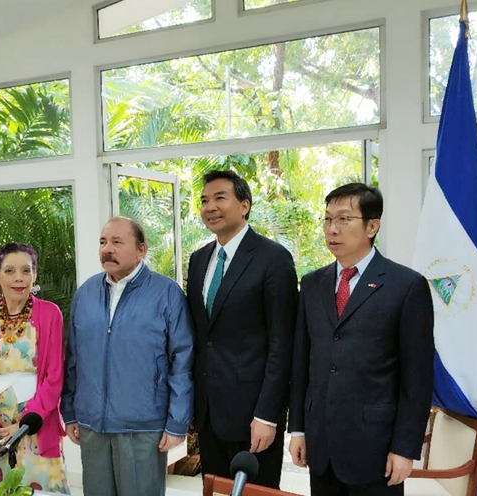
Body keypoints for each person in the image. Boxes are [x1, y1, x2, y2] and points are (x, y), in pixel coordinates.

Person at [288, 183, 434, 496]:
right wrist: (298, 428)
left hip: (377, 449)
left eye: (343, 219)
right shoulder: (312, 284)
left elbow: (417, 378)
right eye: (327, 220)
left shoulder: (406, 286)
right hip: (321, 445)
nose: (332, 229)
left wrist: (405, 448)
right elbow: (302, 364)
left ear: (372, 226)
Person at [61, 216, 194, 496]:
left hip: (143, 426)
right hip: (92, 425)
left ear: (141, 250)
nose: (107, 249)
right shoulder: (85, 294)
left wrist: (177, 423)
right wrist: (70, 412)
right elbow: (73, 358)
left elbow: (182, 362)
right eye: (103, 242)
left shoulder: (166, 294)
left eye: (117, 242)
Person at [186, 170, 298, 488]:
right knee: (217, 491)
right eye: (205, 200)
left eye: (220, 198)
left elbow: (282, 344)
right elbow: (201, 337)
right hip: (209, 414)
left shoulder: (273, 259)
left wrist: (268, 414)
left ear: (245, 205)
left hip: (253, 416)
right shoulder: (199, 260)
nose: (210, 207)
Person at [0, 243, 69, 493]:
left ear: (35, 275)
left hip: (33, 428)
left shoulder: (50, 314)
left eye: (26, 270)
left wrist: (23, 425)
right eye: (9, 271)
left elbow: (54, 376)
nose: (19, 278)